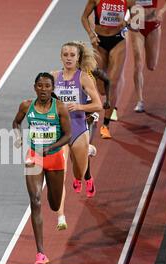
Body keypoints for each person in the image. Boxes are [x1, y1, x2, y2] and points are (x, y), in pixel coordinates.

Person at [12, 72, 72, 264]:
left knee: (54, 205)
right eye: (40, 86)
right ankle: (40, 253)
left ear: (52, 88)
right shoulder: (26, 106)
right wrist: (18, 136)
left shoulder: (60, 108)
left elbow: (68, 135)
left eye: (47, 86)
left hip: (54, 158)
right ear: (35, 87)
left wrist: (51, 147)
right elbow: (16, 122)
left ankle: (55, 205)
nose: (44, 89)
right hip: (34, 156)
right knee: (35, 201)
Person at [51, 41, 103, 230]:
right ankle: (61, 218)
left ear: (78, 57)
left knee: (78, 172)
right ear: (61, 57)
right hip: (60, 131)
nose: (68, 58)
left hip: (79, 127)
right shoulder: (53, 77)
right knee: (60, 173)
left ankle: (83, 165)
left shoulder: (84, 78)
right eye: (65, 55)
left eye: (72, 55)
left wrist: (79, 106)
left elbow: (98, 104)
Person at [81, 0, 136, 139]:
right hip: (99, 42)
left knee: (113, 82)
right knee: (100, 87)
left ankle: (105, 125)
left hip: (119, 40)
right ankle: (108, 104)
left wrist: (128, 23)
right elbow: (84, 17)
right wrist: (91, 34)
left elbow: (137, 21)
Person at [130, 0, 166, 112]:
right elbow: (124, 4)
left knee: (151, 65)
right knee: (138, 63)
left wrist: (162, 11)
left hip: (152, 25)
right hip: (136, 25)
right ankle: (140, 101)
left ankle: (140, 101)